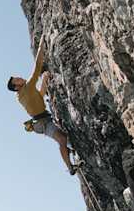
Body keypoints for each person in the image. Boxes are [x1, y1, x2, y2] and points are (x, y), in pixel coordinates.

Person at [7, 42, 81, 175]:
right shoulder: (27, 89)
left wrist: (45, 81)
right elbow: (37, 67)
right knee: (62, 139)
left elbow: (40, 97)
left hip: (42, 121)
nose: (19, 78)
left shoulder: (23, 94)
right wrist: (41, 44)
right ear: (16, 87)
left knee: (65, 139)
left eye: (17, 77)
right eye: (16, 80)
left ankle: (72, 155)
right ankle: (70, 167)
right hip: (43, 123)